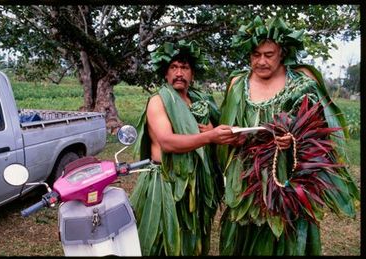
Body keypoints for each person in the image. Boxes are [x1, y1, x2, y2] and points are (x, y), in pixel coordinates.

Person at [217, 16, 359, 256]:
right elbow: (229, 123)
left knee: (286, 236)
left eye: (268, 54)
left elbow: (320, 128)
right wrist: (233, 137)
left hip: (288, 175)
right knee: (245, 234)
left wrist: (294, 138)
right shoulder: (237, 84)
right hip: (245, 178)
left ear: (281, 53)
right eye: (255, 54)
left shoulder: (301, 82)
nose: (261, 61)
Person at [129, 40, 238, 256]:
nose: (179, 73)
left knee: (192, 239)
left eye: (185, 68)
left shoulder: (198, 100)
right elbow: (167, 142)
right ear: (166, 73)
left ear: (193, 74)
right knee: (165, 244)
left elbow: (219, 129)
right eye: (174, 67)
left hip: (195, 185)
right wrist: (209, 136)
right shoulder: (159, 101)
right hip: (166, 184)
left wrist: (213, 129)